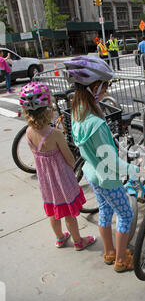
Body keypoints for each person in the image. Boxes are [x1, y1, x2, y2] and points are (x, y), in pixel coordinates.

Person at [65, 56, 139, 272]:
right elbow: (112, 162)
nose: (106, 90)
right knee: (125, 215)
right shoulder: (96, 124)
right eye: (105, 86)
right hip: (107, 178)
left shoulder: (77, 113)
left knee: (105, 212)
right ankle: (120, 259)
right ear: (95, 87)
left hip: (92, 172)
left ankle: (109, 252)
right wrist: (137, 170)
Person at [20, 82, 95, 251]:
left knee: (53, 212)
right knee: (68, 214)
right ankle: (78, 241)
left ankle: (60, 238)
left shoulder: (28, 132)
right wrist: (72, 164)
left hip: (46, 182)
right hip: (61, 180)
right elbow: (69, 159)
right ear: (48, 109)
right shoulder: (55, 134)